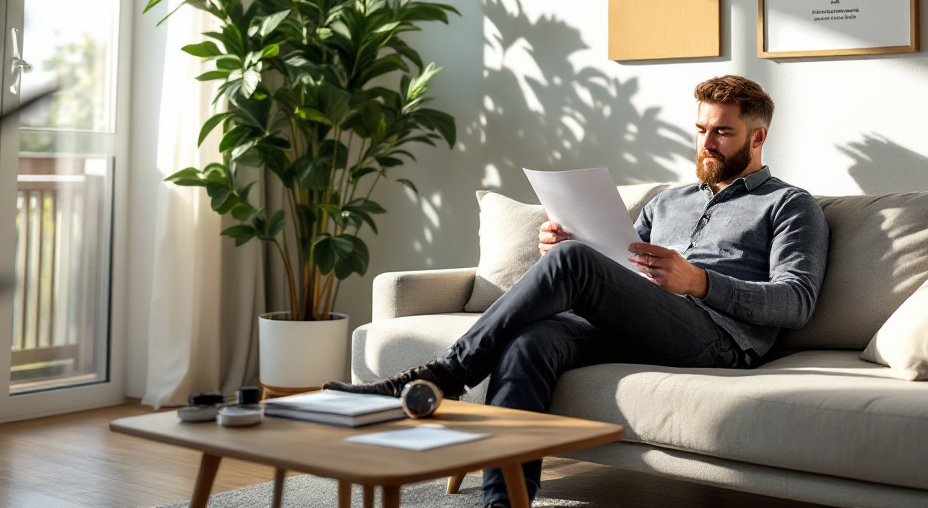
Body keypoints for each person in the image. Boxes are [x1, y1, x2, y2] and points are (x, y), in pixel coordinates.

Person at [325, 75, 829, 508]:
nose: (707, 144)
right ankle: (506, 500)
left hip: (718, 340)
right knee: (531, 342)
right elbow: (621, 272)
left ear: (757, 137)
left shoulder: (789, 205)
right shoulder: (667, 201)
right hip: (641, 324)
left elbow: (796, 301)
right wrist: (569, 249)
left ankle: (445, 375)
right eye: (701, 130)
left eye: (723, 132)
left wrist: (700, 282)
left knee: (573, 265)